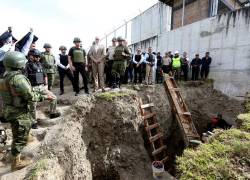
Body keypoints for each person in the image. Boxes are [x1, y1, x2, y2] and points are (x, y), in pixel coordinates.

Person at [0, 51, 52, 170]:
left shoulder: (5, 76)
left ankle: (27, 136)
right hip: (18, 111)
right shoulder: (18, 79)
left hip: (11, 109)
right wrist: (45, 96)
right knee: (19, 138)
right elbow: (30, 96)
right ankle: (16, 162)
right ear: (19, 64)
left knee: (21, 126)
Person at [25, 49, 61, 128]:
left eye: (39, 57)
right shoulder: (27, 65)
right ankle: (33, 123)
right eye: (36, 57)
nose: (38, 58)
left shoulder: (39, 64)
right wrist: (29, 89)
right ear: (31, 56)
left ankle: (53, 113)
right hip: (32, 87)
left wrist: (46, 85)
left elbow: (44, 75)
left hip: (41, 87)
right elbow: (25, 78)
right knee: (32, 106)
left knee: (53, 97)